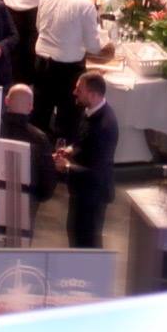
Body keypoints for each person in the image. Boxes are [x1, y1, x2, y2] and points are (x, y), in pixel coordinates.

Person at [33, 0, 110, 142]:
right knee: (68, 119)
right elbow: (93, 46)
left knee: (40, 113)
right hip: (68, 69)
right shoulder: (85, 5)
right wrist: (106, 45)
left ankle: (37, 152)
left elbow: (38, 26)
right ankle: (62, 153)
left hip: (41, 61)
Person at [53, 71, 118, 249]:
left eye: (79, 90)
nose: (74, 92)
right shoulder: (90, 111)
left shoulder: (104, 126)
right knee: (75, 233)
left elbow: (96, 172)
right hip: (82, 191)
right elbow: (84, 142)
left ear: (93, 95)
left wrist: (67, 166)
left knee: (87, 243)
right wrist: (69, 150)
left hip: (93, 195)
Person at [0, 85, 57, 232]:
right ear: (31, 107)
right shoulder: (39, 139)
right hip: (24, 207)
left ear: (6, 101)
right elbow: (47, 185)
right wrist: (36, 198)